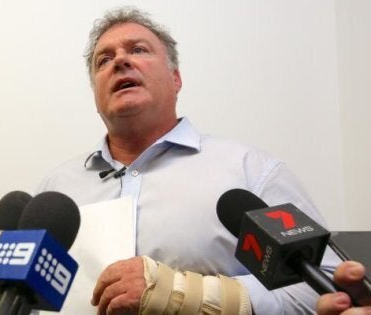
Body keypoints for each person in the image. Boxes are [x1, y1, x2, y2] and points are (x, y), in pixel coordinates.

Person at [36, 6, 340, 314]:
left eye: (138, 50)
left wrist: (180, 293)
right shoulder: (55, 193)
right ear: (95, 94)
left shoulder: (250, 172)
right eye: (104, 60)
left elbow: (322, 288)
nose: (120, 61)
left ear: (176, 78)